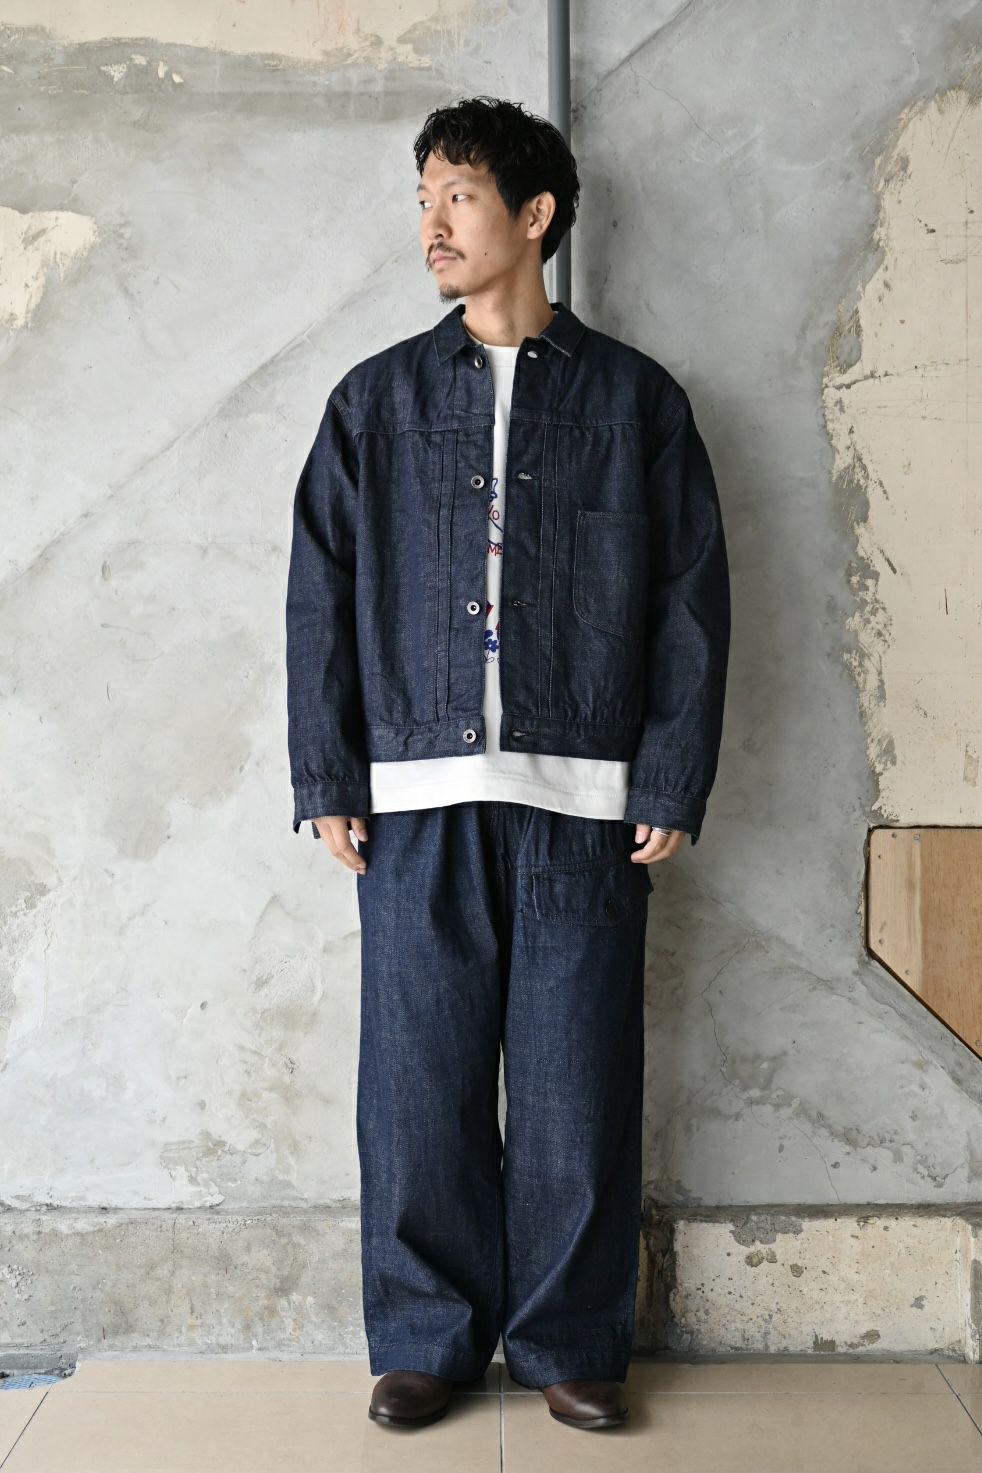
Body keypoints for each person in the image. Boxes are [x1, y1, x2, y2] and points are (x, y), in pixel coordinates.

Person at [285, 95, 730, 1432]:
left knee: (574, 1089)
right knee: (415, 1089)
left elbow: (690, 601)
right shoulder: (373, 402)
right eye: (423, 198)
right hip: (412, 799)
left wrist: (669, 776)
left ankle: (567, 1343)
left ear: (534, 216)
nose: (432, 223)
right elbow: (320, 595)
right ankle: (425, 1336)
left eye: (459, 196)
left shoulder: (636, 402)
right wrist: (326, 777)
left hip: (583, 802)